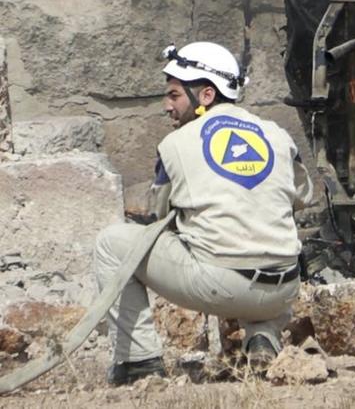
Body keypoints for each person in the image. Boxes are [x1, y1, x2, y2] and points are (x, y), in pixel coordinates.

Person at [93, 41, 310, 385]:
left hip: (220, 286)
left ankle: (138, 363)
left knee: (111, 243)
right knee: (264, 240)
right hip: (283, 290)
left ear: (206, 95)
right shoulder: (277, 134)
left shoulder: (175, 144)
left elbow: (157, 218)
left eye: (174, 95)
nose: (167, 106)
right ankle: (263, 337)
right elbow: (303, 196)